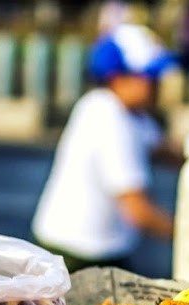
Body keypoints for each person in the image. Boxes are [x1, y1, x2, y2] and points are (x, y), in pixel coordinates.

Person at [32, 24, 176, 272]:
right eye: (149, 78)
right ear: (117, 78)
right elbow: (138, 210)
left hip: (102, 250)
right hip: (76, 256)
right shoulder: (109, 118)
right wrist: (188, 233)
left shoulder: (132, 115)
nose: (156, 86)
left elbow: (166, 152)